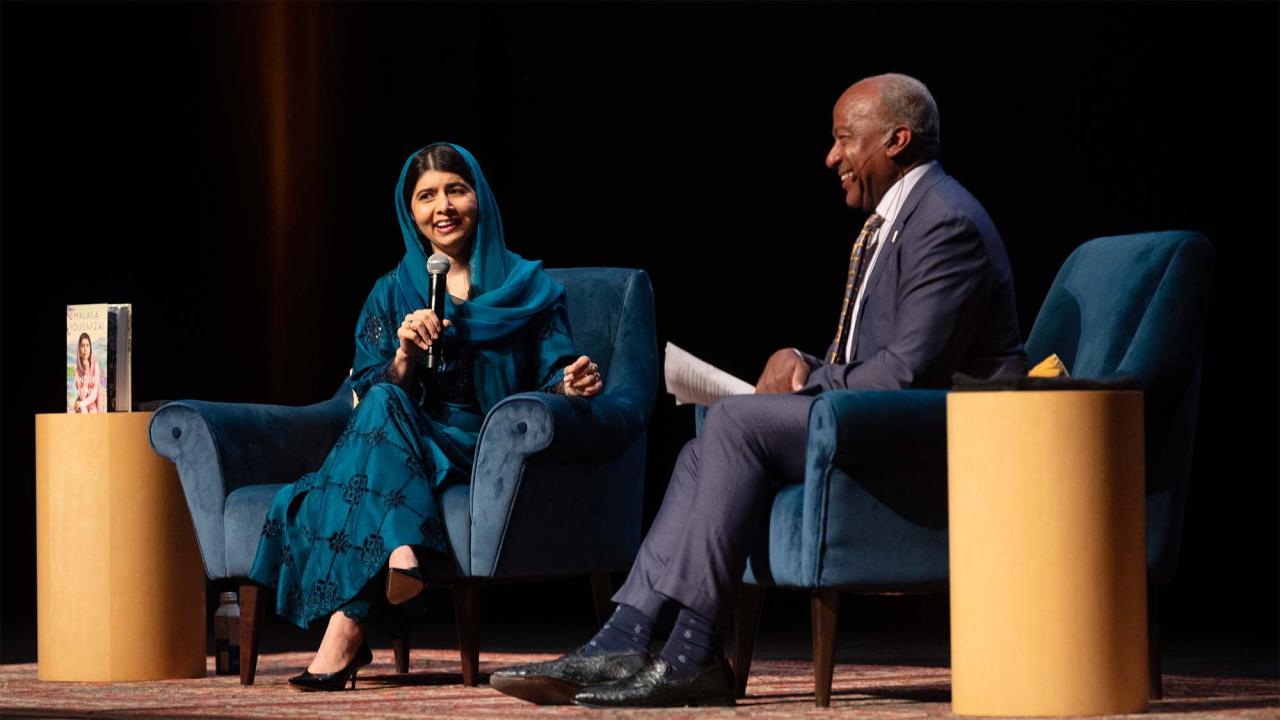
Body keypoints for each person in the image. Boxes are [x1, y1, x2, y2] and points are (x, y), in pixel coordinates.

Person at [490, 73, 1025, 708]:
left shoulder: (944, 222)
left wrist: (809, 380)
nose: (831, 157)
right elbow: (875, 359)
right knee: (701, 451)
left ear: (896, 140)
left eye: (844, 139)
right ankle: (623, 638)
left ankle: (691, 652)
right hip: (872, 418)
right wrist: (803, 361)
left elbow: (907, 372)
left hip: (932, 436)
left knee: (735, 422)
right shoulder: (900, 221)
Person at [247, 142, 604, 692]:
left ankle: (358, 616)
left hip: (484, 444)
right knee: (385, 399)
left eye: (456, 190)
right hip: (406, 439)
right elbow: (363, 392)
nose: (443, 207)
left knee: (355, 452)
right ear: (408, 210)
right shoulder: (390, 292)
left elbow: (553, 373)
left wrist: (569, 383)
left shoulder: (531, 290)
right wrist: (405, 358)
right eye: (427, 196)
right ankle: (390, 566)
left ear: (480, 197)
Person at [72, 332, 104, 413]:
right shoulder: (76, 371)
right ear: (79, 350)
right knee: (82, 409)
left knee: (93, 411)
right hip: (83, 402)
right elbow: (82, 396)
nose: (85, 349)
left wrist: (82, 404)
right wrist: (86, 372)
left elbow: (94, 394)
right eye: (82, 346)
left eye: (87, 345)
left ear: (90, 348)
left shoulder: (95, 366)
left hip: (92, 403)